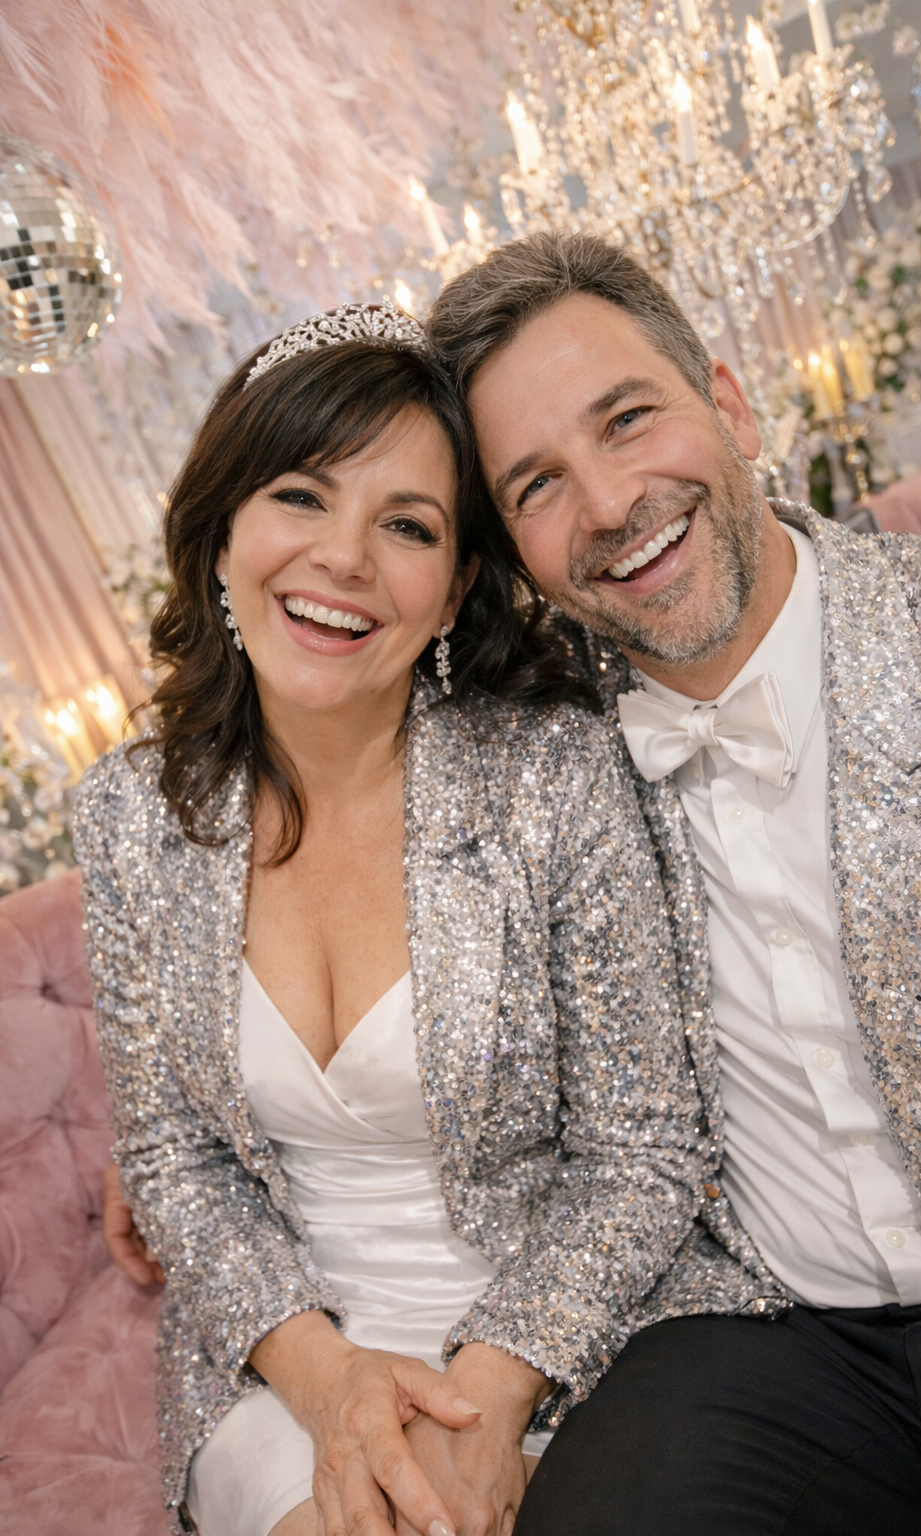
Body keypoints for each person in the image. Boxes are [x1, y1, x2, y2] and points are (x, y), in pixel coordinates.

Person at [425, 233, 921, 1536]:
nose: (607, 504)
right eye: (537, 484)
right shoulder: (543, 763)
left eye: (629, 420)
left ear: (731, 403)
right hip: (770, 1322)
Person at [74, 301, 704, 1536]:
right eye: (300, 498)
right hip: (284, 1358)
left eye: (405, 525)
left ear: (455, 583)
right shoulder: (129, 816)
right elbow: (172, 1160)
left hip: (560, 1337)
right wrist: (336, 1385)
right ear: (220, 535)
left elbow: (647, 1148)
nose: (344, 560)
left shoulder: (550, 777)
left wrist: (489, 1392)